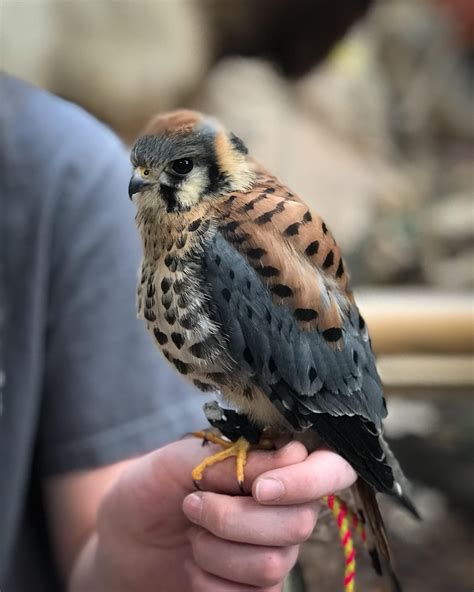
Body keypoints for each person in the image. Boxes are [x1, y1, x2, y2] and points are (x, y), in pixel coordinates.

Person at [0, 74, 356, 592]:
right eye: (143, 172)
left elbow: (103, 545)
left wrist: (144, 568)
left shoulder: (55, 168)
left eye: (177, 169)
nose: (144, 183)